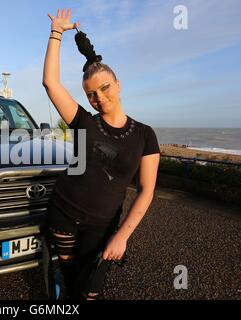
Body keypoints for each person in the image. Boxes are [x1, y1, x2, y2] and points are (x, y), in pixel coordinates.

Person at [42, 8, 160, 300]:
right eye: (91, 94)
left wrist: (122, 236)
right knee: (71, 279)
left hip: (103, 225)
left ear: (118, 85)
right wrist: (56, 33)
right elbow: (50, 83)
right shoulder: (84, 121)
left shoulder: (145, 135)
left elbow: (146, 191)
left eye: (105, 88)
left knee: (90, 290)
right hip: (64, 213)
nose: (99, 97)